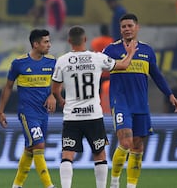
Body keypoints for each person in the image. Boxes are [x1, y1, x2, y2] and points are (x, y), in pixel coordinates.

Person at [51, 25, 137, 188]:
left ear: (69, 41)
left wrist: (61, 101)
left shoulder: (62, 61)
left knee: (67, 154)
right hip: (93, 116)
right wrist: (131, 52)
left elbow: (55, 89)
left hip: (72, 116)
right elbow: (123, 65)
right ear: (85, 40)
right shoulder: (97, 58)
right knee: (99, 154)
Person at [102, 13, 177, 188]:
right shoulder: (111, 50)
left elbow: (157, 75)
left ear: (137, 28)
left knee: (137, 147)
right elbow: (97, 72)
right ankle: (114, 182)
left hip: (141, 104)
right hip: (120, 102)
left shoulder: (147, 51)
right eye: (124, 26)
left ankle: (131, 186)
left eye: (130, 26)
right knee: (126, 142)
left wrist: (169, 94)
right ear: (120, 29)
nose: (127, 29)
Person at [0, 29, 56, 188]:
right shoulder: (19, 63)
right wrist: (1, 110)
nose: (49, 45)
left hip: (43, 112)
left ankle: (17, 185)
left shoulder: (52, 62)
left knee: (30, 148)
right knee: (39, 145)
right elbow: (8, 87)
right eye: (46, 42)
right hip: (27, 112)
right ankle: (49, 185)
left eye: (49, 42)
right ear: (35, 44)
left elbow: (57, 82)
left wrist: (52, 95)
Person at [90, 24, 114, 114]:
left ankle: (98, 110)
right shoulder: (111, 41)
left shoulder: (95, 42)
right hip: (110, 72)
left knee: (98, 93)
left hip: (99, 72)